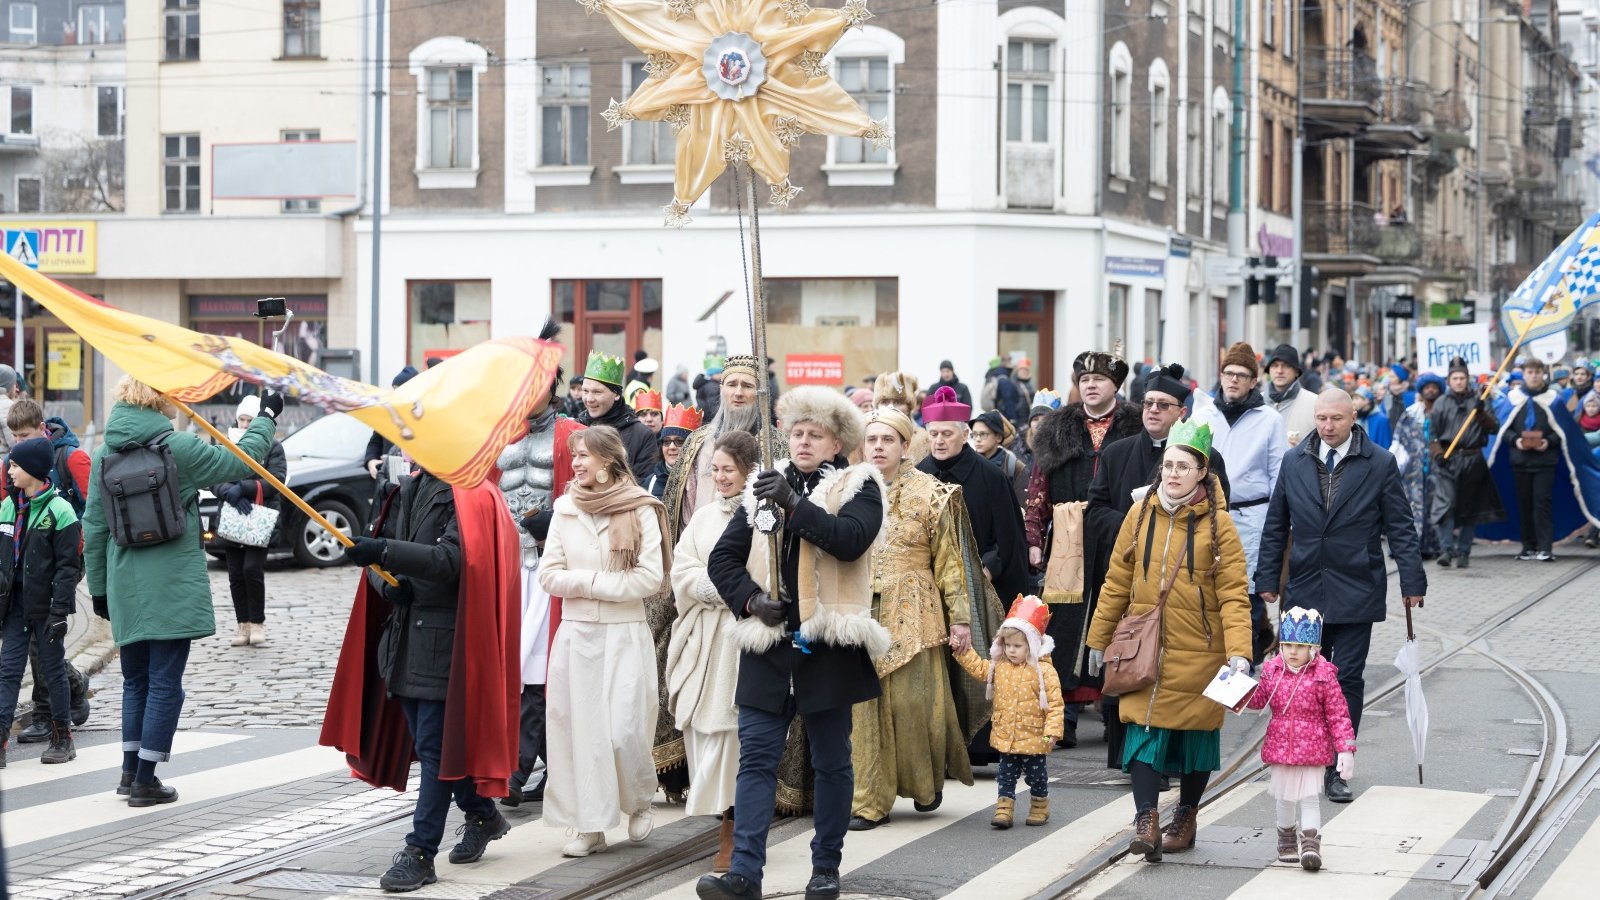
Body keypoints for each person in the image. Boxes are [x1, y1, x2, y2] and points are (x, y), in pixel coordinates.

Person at [699, 386, 886, 900]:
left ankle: (825, 868)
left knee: (831, 761)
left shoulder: (860, 485)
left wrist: (794, 505)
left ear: (836, 442)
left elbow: (850, 539)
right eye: (797, 433)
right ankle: (744, 874)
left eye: (815, 435)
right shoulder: (766, 485)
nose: (803, 442)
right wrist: (751, 601)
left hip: (826, 647)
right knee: (756, 759)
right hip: (770, 647)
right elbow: (723, 560)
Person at [327, 447, 521, 892]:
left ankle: (420, 851)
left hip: (446, 640)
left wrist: (388, 554)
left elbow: (453, 560)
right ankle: (483, 815)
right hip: (404, 640)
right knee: (429, 743)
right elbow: (375, 560)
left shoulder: (471, 492)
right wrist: (386, 579)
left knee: (434, 749)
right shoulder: (409, 488)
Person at [85, 379, 283, 806]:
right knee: (164, 684)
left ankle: (129, 771)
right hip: (171, 583)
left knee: (135, 680)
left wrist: (99, 590)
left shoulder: (103, 454)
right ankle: (146, 780)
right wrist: (266, 418)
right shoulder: (178, 448)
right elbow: (240, 460)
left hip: (124, 585)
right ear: (161, 400)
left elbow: (95, 527)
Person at [1086, 422, 1252, 861]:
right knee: (1141, 728)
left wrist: (1239, 652)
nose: (1174, 473)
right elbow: (1116, 580)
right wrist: (1098, 638)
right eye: (1169, 465)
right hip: (1146, 645)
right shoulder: (1139, 515)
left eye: (1184, 466)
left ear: (1202, 472)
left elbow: (1234, 594)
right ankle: (1146, 819)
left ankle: (1186, 815)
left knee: (1196, 736)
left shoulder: (1220, 526)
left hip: (1202, 648)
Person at [1255, 389, 1426, 804]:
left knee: (1346, 678)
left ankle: (1336, 765)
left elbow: (1400, 525)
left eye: (1335, 418)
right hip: (1305, 586)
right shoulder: (1294, 462)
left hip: (1356, 584)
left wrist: (1412, 581)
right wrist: (1266, 577)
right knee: (1300, 675)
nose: (1327, 426)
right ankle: (1303, 754)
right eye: (1321, 418)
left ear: (1353, 417)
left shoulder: (1379, 462)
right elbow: (1276, 522)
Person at [848, 407, 986, 831]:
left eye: (887, 440)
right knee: (863, 710)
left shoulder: (932, 493)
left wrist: (960, 619)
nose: (878, 447)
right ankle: (869, 801)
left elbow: (951, 562)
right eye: (871, 440)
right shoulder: (846, 492)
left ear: (906, 446)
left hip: (916, 610)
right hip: (861, 611)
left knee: (913, 705)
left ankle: (925, 784)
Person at [535, 425, 670, 857]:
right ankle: (587, 824)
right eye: (573, 456)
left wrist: (586, 583)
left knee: (623, 731)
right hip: (577, 636)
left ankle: (638, 799)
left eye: (584, 456)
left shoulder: (641, 508)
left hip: (625, 633)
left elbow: (649, 578)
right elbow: (548, 574)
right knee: (578, 733)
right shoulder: (564, 508)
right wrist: (601, 582)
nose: (575, 464)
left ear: (609, 461)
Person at [1085, 364, 1229, 764]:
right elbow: (1094, 510)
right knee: (1126, 665)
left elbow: (1218, 517)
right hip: (1131, 576)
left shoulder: (1207, 456)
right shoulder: (1115, 453)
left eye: (1163, 405)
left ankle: (1171, 764)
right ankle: (1125, 758)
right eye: (1147, 403)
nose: (1152, 411)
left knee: (1178, 680)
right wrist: (1135, 525)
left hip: (1187, 589)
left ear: (1180, 412)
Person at [1024, 347, 1141, 746]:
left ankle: (1114, 712)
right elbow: (1038, 488)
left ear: (1115, 386)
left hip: (1117, 532)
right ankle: (1064, 717)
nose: (1091, 386)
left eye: (1100, 380)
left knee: (1116, 617)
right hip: (1069, 537)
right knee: (1066, 622)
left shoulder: (1136, 426)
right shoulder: (1057, 427)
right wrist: (1034, 539)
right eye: (1085, 380)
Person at [493, 339, 584, 808]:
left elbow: (590, 489)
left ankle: (517, 767)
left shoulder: (571, 432)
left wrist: (560, 519)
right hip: (510, 566)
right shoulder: (499, 433)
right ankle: (530, 764)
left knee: (538, 670)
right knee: (514, 669)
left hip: (549, 568)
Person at [666, 430, 758, 872]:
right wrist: (709, 587)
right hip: (703, 636)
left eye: (729, 470)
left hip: (740, 638)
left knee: (733, 734)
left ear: (748, 472)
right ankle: (726, 818)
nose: (720, 477)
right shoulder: (702, 518)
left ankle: (734, 827)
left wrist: (731, 592)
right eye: (715, 469)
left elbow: (762, 575)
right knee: (704, 730)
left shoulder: (762, 516)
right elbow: (680, 570)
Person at [4, 398, 92, 742]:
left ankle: (46, 714)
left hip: (64, 554)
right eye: (14, 437)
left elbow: (94, 508)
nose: (19, 444)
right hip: (27, 560)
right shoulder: (14, 465)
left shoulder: (72, 458)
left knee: (44, 643)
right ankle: (71, 685)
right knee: (31, 646)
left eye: (25, 435)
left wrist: (73, 540)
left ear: (42, 428)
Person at [1192, 342, 1288, 661]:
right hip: (1208, 511)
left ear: (1253, 381)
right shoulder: (1204, 414)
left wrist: (1278, 521)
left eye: (1241, 375)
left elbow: (1277, 473)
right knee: (1206, 585)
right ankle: (1210, 655)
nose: (1233, 380)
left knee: (1245, 590)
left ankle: (1242, 660)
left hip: (1252, 514)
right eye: (1228, 373)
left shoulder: (1269, 419)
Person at [1246, 607, 1357, 872]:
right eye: (1287, 645)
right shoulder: (1273, 671)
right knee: (1284, 798)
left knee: (1309, 797)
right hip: (1281, 746)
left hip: (1313, 748)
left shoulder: (1324, 675)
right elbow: (1259, 699)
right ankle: (1286, 841)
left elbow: (1338, 714)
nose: (1292, 651)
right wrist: (1236, 694)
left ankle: (1310, 845)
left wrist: (1345, 750)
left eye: (1299, 645)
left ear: (1313, 649)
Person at [950, 595, 1063, 829]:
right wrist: (963, 652)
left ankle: (1040, 805)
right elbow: (980, 669)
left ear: (1031, 644)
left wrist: (1051, 732)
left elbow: (1055, 703)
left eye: (1017, 646)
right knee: (1005, 776)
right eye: (1008, 645)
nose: (1011, 651)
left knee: (1037, 776)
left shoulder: (1044, 671)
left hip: (1036, 736)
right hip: (1006, 736)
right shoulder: (999, 666)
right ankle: (1004, 808)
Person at [665, 355, 781, 541]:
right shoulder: (698, 441)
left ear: (760, 392)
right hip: (700, 551)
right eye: (732, 384)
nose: (738, 392)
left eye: (747, 386)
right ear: (721, 389)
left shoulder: (775, 444)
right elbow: (684, 506)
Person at [210, 395, 288, 648]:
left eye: (249, 420)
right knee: (235, 574)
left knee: (251, 570)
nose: (244, 425)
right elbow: (213, 476)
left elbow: (276, 481)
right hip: (233, 515)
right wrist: (226, 492)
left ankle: (257, 622)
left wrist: (244, 487)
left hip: (258, 516)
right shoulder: (225, 443)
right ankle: (242, 623)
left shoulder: (273, 447)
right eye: (241, 419)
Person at [1428, 357, 1504, 568]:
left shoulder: (1480, 399)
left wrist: (1480, 412)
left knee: (1469, 509)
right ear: (1449, 380)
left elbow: (1494, 427)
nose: (1459, 381)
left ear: (1467, 379)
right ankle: (1446, 550)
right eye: (1455, 378)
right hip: (1448, 460)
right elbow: (1433, 435)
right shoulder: (1441, 403)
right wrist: (1437, 454)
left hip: (1473, 460)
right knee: (1445, 506)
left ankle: (1464, 551)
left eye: (1462, 378)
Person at [1499, 358, 1561, 561]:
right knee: (1524, 504)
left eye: (1537, 372)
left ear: (1543, 374)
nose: (1533, 375)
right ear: (1523, 374)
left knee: (1542, 503)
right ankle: (1528, 546)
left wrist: (1548, 442)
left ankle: (1545, 547)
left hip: (1545, 461)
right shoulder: (1514, 398)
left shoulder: (1553, 398)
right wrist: (1515, 440)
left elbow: (1562, 431)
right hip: (1520, 460)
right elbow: (1503, 429)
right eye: (1530, 372)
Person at [577, 350, 660, 485]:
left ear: (616, 394)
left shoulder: (642, 435)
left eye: (597, 392)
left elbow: (643, 486)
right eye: (585, 391)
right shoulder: (577, 429)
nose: (589, 399)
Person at [1395, 373, 1446, 560]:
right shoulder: (1410, 414)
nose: (1431, 390)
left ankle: (1436, 547)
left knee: (1436, 508)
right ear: (1421, 390)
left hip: (1437, 469)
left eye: (1435, 386)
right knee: (1411, 510)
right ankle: (1410, 547)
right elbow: (1399, 440)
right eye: (1427, 387)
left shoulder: (1444, 413)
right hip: (1413, 472)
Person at [365, 366, 421, 481]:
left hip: (413, 480)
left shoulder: (421, 414)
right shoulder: (388, 412)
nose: (396, 393)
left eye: (400, 389)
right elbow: (375, 442)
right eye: (394, 389)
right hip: (387, 481)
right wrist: (371, 460)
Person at [969, 410, 1027, 506]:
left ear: (999, 437)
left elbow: (1022, 508)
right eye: (974, 434)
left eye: (983, 434)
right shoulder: (967, 464)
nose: (977, 439)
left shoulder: (1014, 467)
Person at [1264, 344, 1318, 445]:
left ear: (1296, 372)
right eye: (1275, 365)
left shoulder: (1315, 403)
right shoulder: (1257, 402)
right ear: (1269, 370)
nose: (1279, 371)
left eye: (1286, 366)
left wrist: (1301, 451)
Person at [872, 371, 930, 463]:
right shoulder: (864, 439)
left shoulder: (924, 440)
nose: (890, 407)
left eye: (898, 402)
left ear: (909, 407)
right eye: (885, 402)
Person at [647, 404, 701, 501]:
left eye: (679, 441)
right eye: (666, 442)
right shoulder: (649, 483)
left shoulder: (702, 481)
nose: (671, 447)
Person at [0, 364, 21, 452]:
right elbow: (15, 442)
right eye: (14, 384)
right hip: (4, 460)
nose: (16, 389)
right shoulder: (7, 405)